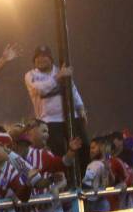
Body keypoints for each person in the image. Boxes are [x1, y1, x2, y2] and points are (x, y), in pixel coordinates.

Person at [24, 45, 89, 174]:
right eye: (37, 57)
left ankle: (82, 179)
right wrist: (58, 77)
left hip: (71, 116)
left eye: (44, 56)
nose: (41, 59)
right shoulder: (31, 75)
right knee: (59, 152)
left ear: (51, 58)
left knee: (84, 146)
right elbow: (41, 89)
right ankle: (67, 181)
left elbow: (73, 89)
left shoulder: (59, 70)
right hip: (49, 120)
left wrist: (81, 107)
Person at [82, 137, 113, 212]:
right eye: (91, 148)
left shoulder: (95, 164)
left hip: (94, 203)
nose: (91, 151)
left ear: (102, 148)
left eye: (94, 148)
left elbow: (86, 182)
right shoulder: (106, 164)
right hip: (102, 202)